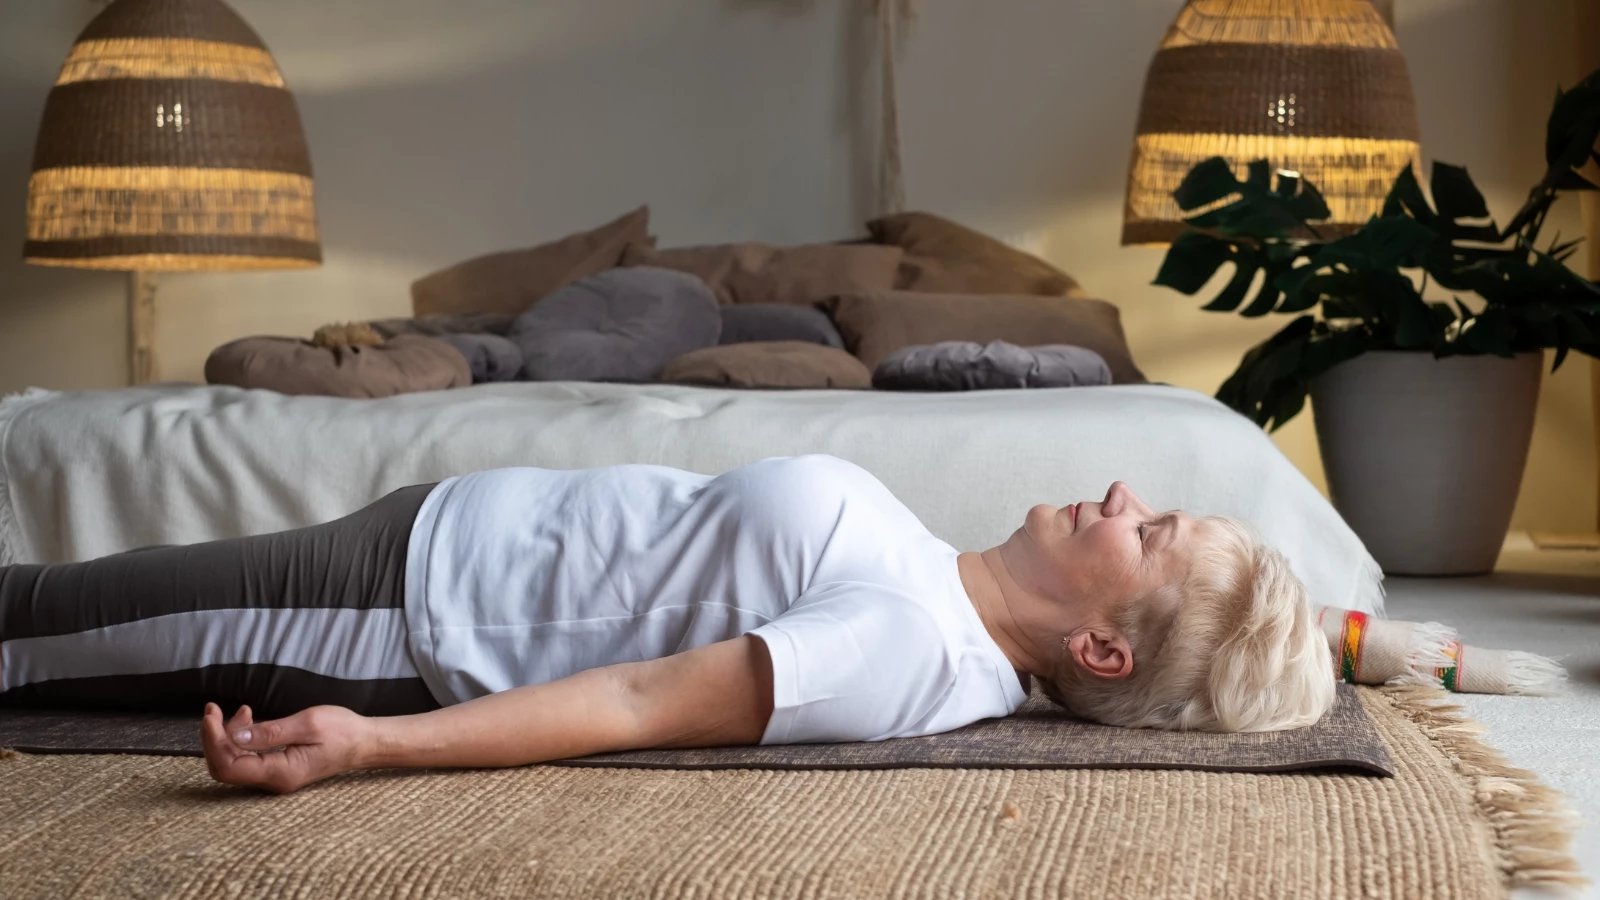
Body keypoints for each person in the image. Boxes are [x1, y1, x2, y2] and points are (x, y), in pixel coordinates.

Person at [0, 455, 1334, 794]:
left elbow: (640, 706)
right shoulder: (948, 596)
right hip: (424, 544)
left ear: (1103, 646)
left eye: (1149, 534)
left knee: (29, 628)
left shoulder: (906, 651)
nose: (1122, 494)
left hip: (393, 617)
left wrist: (370, 747)